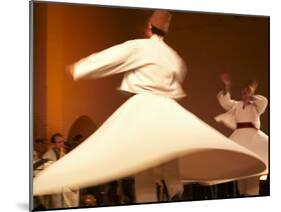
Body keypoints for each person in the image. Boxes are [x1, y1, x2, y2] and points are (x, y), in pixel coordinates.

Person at [34, 10, 266, 204]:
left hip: (145, 104)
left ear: (148, 28)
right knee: (168, 151)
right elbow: (177, 79)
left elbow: (114, 56)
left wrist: (80, 67)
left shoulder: (141, 47)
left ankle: (149, 202)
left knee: (142, 155)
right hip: (167, 107)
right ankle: (174, 194)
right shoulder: (173, 56)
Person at [215, 72, 268, 196]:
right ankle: (243, 196)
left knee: (254, 171)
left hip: (254, 138)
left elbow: (263, 102)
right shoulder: (237, 105)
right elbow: (225, 102)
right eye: (244, 92)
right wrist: (227, 86)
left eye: (247, 92)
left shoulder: (256, 106)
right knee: (242, 172)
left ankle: (252, 196)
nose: (245, 94)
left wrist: (252, 95)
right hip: (240, 137)